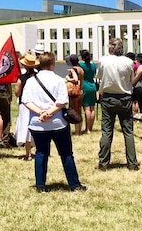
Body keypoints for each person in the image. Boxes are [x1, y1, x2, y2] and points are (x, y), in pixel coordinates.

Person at [20, 52, 85, 192]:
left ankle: (40, 185)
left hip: (37, 123)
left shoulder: (31, 81)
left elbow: (26, 101)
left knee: (41, 153)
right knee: (66, 154)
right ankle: (74, 184)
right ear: (52, 65)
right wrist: (49, 113)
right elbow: (62, 102)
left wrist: (40, 113)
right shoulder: (58, 80)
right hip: (58, 122)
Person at [96, 38, 138, 171]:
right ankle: (132, 163)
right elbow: (131, 80)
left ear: (111, 48)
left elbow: (99, 76)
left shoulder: (104, 60)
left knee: (107, 131)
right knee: (128, 131)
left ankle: (103, 163)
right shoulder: (129, 62)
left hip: (108, 97)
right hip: (125, 97)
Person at [14, 52, 38, 161]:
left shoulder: (22, 78)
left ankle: (28, 154)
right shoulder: (38, 77)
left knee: (26, 128)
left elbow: (17, 93)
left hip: (25, 105)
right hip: (37, 104)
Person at [78, 50, 98, 134]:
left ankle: (87, 129)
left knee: (86, 108)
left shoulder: (81, 65)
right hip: (92, 86)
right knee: (92, 108)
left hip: (84, 86)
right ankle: (90, 127)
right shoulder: (93, 65)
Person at [65, 53, 84, 134]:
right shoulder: (81, 69)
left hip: (74, 93)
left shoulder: (73, 69)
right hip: (80, 91)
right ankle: (79, 130)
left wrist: (68, 78)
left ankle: (77, 131)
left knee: (74, 112)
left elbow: (75, 79)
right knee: (79, 111)